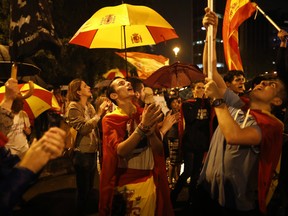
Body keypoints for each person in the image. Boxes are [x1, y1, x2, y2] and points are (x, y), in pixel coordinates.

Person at [195, 7, 287, 216]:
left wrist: (218, 101)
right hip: (208, 192)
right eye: (263, 81)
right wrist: (212, 33)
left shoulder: (271, 125)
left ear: (277, 100)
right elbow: (210, 72)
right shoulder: (239, 105)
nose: (263, 82)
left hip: (235, 205)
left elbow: (234, 136)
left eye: (271, 84)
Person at [99, 77, 174, 216]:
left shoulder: (144, 113)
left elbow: (158, 150)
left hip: (149, 183)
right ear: (114, 95)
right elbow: (120, 151)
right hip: (126, 185)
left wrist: (151, 134)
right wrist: (142, 128)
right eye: (121, 83)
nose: (128, 83)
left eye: (127, 82)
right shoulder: (110, 119)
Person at [0, 78, 66, 216]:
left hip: (21, 148)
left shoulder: (22, 115)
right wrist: (27, 168)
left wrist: (36, 158)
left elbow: (8, 171)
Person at [65, 78, 109, 215]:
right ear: (78, 92)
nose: (89, 87)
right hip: (82, 152)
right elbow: (83, 129)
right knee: (83, 190)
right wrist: (99, 114)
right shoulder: (73, 107)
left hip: (92, 150)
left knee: (90, 188)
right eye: (85, 86)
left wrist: (104, 114)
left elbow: (95, 125)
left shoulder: (89, 106)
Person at [170, 80, 211, 206]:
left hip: (201, 143)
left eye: (203, 88)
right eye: (199, 87)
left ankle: (192, 199)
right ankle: (173, 197)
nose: (201, 90)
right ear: (193, 90)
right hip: (190, 143)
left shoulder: (208, 105)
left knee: (196, 173)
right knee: (187, 171)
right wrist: (198, 100)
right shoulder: (187, 104)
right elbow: (190, 118)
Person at [163, 96, 182, 189]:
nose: (176, 104)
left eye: (177, 102)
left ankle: (177, 178)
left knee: (178, 160)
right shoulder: (169, 113)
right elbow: (167, 125)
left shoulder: (180, 113)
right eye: (173, 102)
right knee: (173, 160)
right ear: (170, 104)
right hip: (172, 137)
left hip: (180, 137)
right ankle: (170, 179)